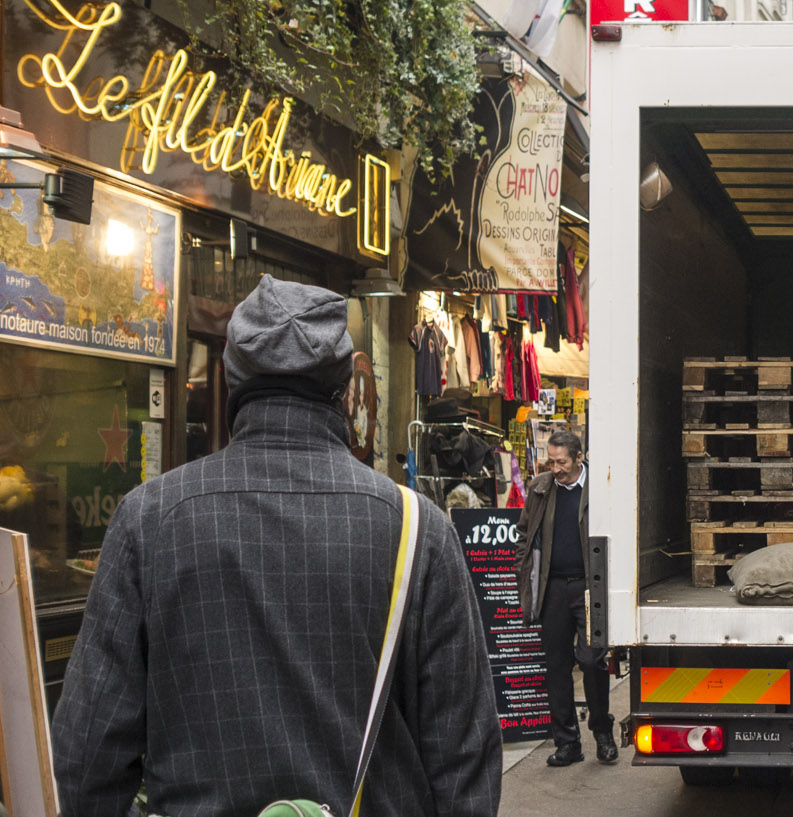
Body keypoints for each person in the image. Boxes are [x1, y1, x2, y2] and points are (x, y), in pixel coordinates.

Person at [52, 275, 501, 816]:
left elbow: (85, 760)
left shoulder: (151, 519)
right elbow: (464, 761)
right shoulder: (418, 529)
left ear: (228, 377)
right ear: (345, 389)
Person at [514, 429, 616, 766]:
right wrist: (522, 571)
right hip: (553, 589)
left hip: (589, 588)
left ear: (578, 458)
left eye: (561, 462)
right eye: (551, 461)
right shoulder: (541, 487)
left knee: (591, 660)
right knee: (556, 666)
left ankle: (603, 733)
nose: (554, 468)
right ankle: (568, 742)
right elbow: (525, 534)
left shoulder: (598, 488)